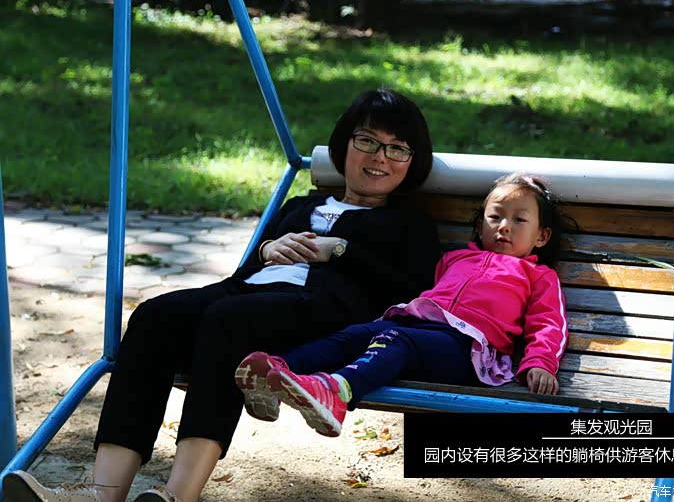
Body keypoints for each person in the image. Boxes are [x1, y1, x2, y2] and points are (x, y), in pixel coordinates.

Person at [3, 89, 441, 502]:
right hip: (248, 295)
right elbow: (246, 273)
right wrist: (268, 250)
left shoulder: (409, 224)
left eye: (397, 149)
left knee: (230, 321)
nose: (380, 157)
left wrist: (340, 250)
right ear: (344, 145)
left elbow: (413, 291)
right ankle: (104, 492)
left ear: (412, 162)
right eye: (367, 141)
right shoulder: (300, 207)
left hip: (323, 313)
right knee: (155, 315)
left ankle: (179, 493)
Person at [234, 173, 569, 438]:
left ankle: (337, 392)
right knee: (355, 334)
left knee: (395, 340)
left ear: (541, 236)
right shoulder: (454, 259)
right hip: (417, 327)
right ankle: (276, 373)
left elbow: (549, 324)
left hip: (468, 349)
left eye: (519, 220)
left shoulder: (538, 276)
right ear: (481, 225)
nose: (504, 226)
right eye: (495, 217)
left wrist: (540, 363)